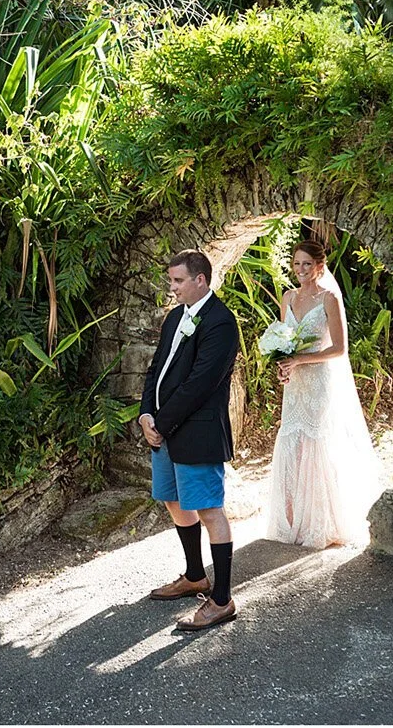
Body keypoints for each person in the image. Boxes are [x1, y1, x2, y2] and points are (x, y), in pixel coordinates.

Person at [139, 249, 243, 631]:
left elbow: (201, 384)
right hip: (163, 429)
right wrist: (146, 413)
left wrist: (162, 422)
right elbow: (156, 369)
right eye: (172, 281)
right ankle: (195, 575)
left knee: (209, 508)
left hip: (196, 431)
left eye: (178, 281)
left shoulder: (220, 322)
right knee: (171, 498)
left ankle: (222, 599)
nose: (173, 287)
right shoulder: (173, 319)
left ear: (200, 279)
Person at [260, 241, 386, 549]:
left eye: (306, 264)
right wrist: (283, 366)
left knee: (315, 442)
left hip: (319, 380)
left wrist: (300, 359)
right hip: (296, 384)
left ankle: (320, 523)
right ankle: (291, 520)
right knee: (292, 440)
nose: (300, 270)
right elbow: (285, 340)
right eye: (296, 264)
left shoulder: (329, 298)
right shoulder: (288, 296)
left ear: (319, 266)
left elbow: (340, 348)